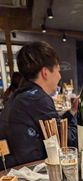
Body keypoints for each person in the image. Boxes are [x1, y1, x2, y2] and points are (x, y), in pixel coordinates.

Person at [0, 41, 78, 170]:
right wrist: (79, 117)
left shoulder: (21, 95)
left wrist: (72, 111)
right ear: (45, 72)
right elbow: (66, 143)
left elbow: (54, 126)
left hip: (12, 169)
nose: (59, 76)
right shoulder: (37, 99)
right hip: (23, 176)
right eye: (58, 71)